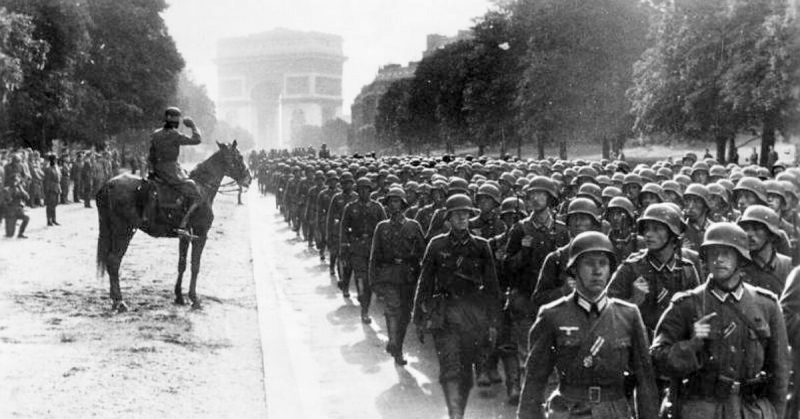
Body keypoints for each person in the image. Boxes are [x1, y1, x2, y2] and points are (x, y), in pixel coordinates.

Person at [651, 222, 789, 419]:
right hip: (701, 409)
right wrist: (691, 346)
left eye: (727, 253)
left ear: (740, 259)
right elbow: (657, 360)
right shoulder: (687, 304)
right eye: (713, 253)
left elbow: (780, 370)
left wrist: (774, 413)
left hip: (750, 411)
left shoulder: (766, 305)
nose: (719, 260)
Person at [517, 231, 659, 419]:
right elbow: (534, 381)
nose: (597, 271)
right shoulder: (553, 314)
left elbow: (645, 381)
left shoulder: (628, 314)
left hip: (614, 411)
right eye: (589, 263)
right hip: (568, 410)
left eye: (603, 263)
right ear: (574, 269)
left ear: (610, 269)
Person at [413, 193, 501, 419]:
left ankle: (457, 410)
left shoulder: (481, 247)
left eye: (466, 214)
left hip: (474, 315)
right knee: (450, 367)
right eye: (457, 214)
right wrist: (418, 318)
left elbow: (492, 288)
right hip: (445, 313)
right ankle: (455, 414)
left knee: (465, 372)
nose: (462, 218)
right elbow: (425, 282)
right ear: (448, 218)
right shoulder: (436, 244)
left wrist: (493, 322)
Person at [369, 187, 425, 365]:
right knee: (392, 309)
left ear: (403, 204)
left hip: (408, 276)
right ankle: (394, 343)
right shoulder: (381, 227)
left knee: (405, 315)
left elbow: (423, 254)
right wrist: (373, 281)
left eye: (397, 201)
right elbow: (374, 256)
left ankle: (397, 345)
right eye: (391, 201)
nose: (394, 205)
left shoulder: (413, 226)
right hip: (389, 275)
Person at [146, 107, 202, 237]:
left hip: (158, 169)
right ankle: (183, 225)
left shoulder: (155, 134)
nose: (178, 121)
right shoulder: (174, 135)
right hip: (171, 170)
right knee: (196, 194)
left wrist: (152, 170)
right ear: (169, 118)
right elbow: (197, 140)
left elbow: (151, 155)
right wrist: (193, 125)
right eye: (176, 118)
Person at [340, 177, 387, 323]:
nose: (364, 192)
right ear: (357, 191)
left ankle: (365, 299)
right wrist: (344, 244)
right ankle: (364, 311)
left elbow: (384, 226)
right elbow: (344, 227)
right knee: (363, 279)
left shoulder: (377, 207)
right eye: (361, 190)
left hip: (374, 247)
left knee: (373, 280)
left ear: (370, 191)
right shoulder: (350, 207)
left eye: (366, 189)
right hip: (357, 247)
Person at [4, 173, 30, 238]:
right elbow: (9, 201)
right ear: (11, 181)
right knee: (10, 235)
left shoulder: (20, 188)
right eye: (15, 180)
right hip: (11, 213)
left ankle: (20, 233)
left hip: (18, 211)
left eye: (17, 181)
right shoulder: (7, 189)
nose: (16, 182)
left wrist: (21, 189)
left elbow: (27, 197)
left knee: (26, 218)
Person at [43, 154, 62, 226]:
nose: (56, 160)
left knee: (55, 203)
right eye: (55, 159)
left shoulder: (56, 167)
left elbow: (59, 176)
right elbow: (47, 180)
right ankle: (49, 220)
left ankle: (54, 219)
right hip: (51, 187)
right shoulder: (48, 168)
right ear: (53, 160)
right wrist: (47, 190)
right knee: (50, 204)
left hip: (57, 186)